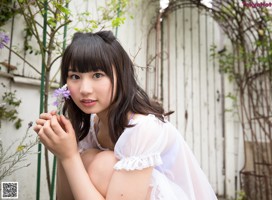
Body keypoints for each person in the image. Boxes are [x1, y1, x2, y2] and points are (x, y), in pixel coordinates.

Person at [34, 30, 218, 200]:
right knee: (88, 159)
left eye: (97, 75)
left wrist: (70, 156)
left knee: (102, 164)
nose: (84, 89)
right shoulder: (92, 123)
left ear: (121, 76)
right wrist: (63, 151)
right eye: (75, 76)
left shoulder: (143, 128)